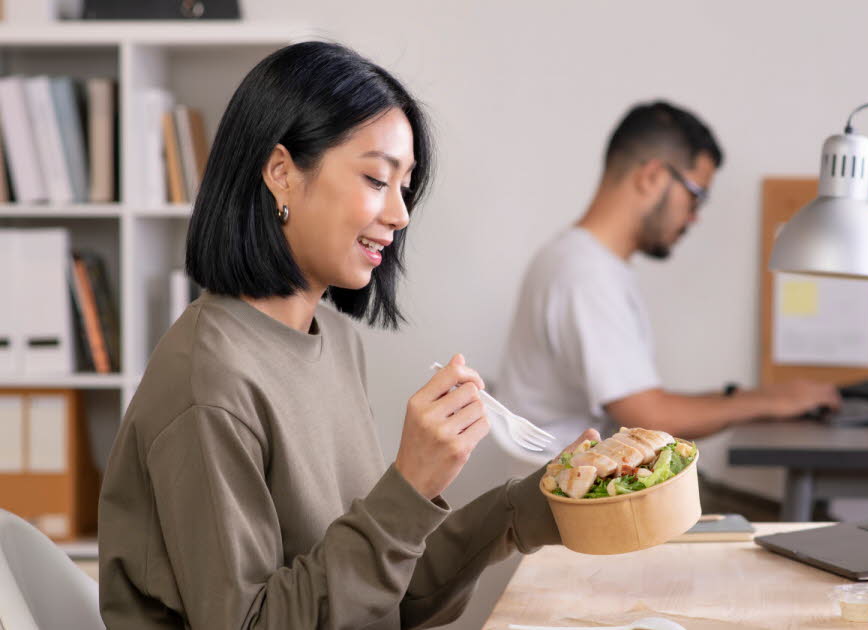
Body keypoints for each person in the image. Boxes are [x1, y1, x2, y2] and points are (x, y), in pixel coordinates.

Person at [97, 41, 596, 630]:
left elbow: (380, 592)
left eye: (405, 186)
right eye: (376, 179)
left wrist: (534, 504)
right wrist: (409, 484)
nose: (401, 214)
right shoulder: (210, 381)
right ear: (281, 172)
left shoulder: (332, 340)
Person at [496, 101, 840, 453]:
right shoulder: (585, 273)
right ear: (652, 177)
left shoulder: (583, 261)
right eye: (696, 197)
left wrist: (750, 397)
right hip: (568, 498)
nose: (695, 218)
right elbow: (650, 417)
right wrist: (769, 402)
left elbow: (645, 402)